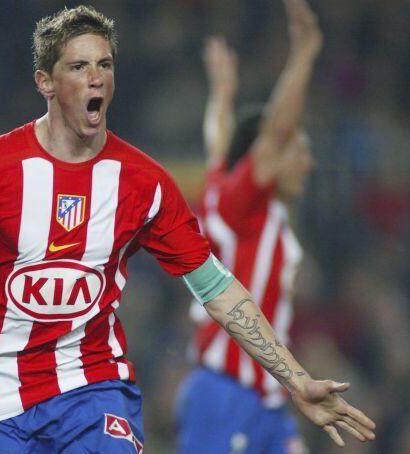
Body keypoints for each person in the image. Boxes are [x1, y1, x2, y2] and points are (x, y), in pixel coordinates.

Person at [0, 5, 375, 453]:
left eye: (105, 64)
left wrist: (294, 377)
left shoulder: (145, 183)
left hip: (93, 389)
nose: (97, 78)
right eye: (79, 66)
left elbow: (216, 287)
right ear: (46, 82)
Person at [177, 1, 327, 452]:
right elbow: (276, 131)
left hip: (267, 400)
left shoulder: (241, 201)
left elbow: (218, 142)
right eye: (296, 150)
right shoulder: (242, 205)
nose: (307, 161)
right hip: (226, 393)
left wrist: (223, 94)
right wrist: (304, 52)